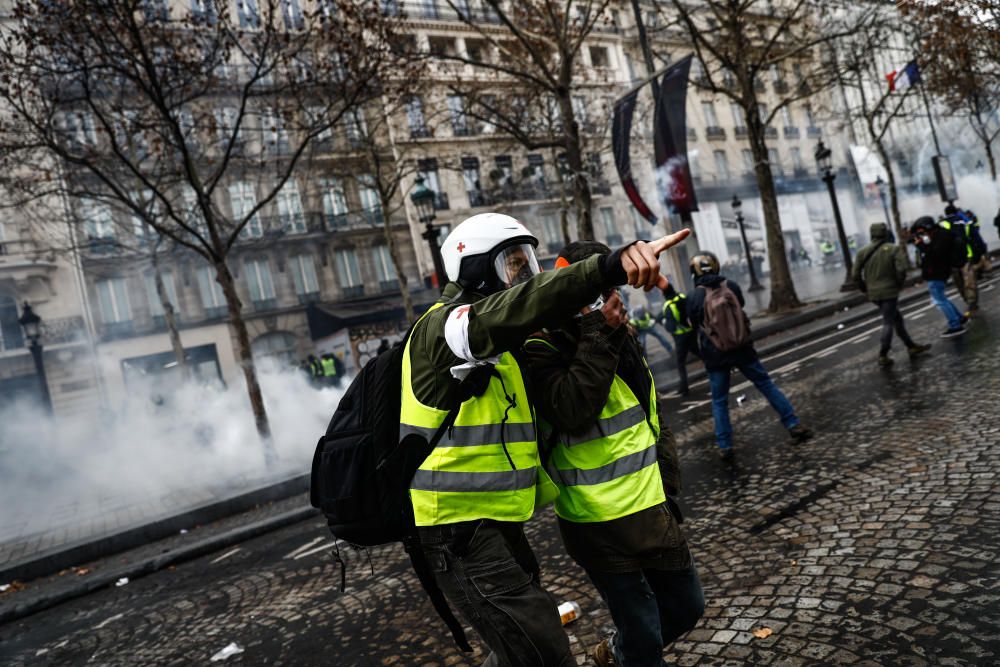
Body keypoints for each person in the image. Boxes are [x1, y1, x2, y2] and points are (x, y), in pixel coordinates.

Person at [400, 212, 690, 666]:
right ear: (476, 269)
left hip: (496, 519)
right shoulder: (449, 326)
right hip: (455, 525)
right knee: (542, 650)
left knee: (520, 648)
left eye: (529, 262)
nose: (527, 275)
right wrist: (608, 267)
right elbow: (518, 311)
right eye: (513, 264)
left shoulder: (506, 340)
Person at [519, 241, 704, 667]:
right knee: (642, 629)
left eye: (603, 291)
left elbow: (649, 411)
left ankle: (618, 653)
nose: (594, 302)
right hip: (595, 522)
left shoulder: (621, 331)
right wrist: (597, 330)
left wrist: (667, 478)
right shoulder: (540, 342)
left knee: (686, 607)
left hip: (652, 507)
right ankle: (629, 654)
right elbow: (570, 408)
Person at [686, 252, 812, 460]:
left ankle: (725, 445)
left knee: (719, 401)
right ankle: (792, 424)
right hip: (742, 349)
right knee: (766, 385)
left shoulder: (693, 297)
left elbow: (692, 324)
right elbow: (741, 307)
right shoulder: (731, 286)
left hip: (715, 355)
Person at [851, 223, 931, 367]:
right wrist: (898, 285)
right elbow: (902, 270)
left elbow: (855, 275)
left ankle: (911, 346)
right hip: (889, 291)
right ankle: (883, 354)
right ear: (885, 233)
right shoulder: (893, 249)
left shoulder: (862, 252)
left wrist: (865, 289)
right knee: (889, 321)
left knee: (896, 319)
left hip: (874, 293)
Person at [910, 216, 968, 337]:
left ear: (928, 228)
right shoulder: (939, 235)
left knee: (939, 300)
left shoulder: (941, 236)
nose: (921, 235)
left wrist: (921, 245)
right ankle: (959, 317)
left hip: (937, 273)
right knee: (941, 298)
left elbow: (935, 254)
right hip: (936, 272)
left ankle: (955, 325)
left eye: (922, 232)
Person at [939, 205, 985, 315]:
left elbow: (940, 244)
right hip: (967, 255)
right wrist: (982, 250)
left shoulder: (942, 224)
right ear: (956, 212)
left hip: (952, 258)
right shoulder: (965, 221)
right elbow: (976, 237)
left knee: (958, 281)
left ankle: (966, 299)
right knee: (969, 280)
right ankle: (972, 302)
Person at [661, 280, 700, 395]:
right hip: (691, 333)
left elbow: (670, 327)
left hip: (680, 338)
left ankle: (684, 387)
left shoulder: (667, 306)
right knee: (699, 353)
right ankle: (716, 367)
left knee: (680, 363)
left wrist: (664, 323)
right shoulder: (683, 296)